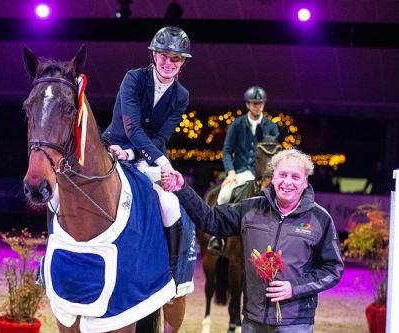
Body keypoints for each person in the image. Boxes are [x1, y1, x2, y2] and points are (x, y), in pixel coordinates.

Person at [162, 149, 344, 332]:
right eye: (282, 175)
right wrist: (182, 189)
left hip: (295, 323)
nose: (287, 182)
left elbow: (333, 269)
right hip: (253, 321)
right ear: (272, 178)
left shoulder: (320, 219)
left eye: (295, 177)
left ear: (305, 182)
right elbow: (210, 220)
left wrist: (294, 288)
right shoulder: (250, 208)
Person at [103, 26, 192, 283]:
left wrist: (132, 155)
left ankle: (173, 274)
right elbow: (131, 127)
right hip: (112, 148)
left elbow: (162, 137)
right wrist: (164, 162)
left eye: (175, 58)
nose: (168, 62)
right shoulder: (133, 78)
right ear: (153, 55)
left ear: (182, 62)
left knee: (170, 203)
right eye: (163, 55)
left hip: (142, 157)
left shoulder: (181, 96)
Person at [209, 86, 279, 253]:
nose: (257, 107)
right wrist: (230, 172)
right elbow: (226, 150)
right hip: (240, 172)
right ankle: (217, 236)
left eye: (260, 103)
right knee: (224, 194)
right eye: (254, 104)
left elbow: (277, 153)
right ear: (248, 105)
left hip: (264, 175)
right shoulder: (237, 124)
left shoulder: (271, 127)